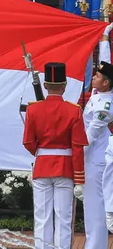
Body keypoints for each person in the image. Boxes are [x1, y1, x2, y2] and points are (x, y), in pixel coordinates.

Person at [23, 62, 88, 249]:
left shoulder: (33, 109)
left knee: (42, 217)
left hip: (42, 165)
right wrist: (79, 179)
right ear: (65, 85)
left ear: (44, 85)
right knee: (64, 218)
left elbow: (28, 142)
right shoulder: (73, 110)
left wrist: (41, 151)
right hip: (65, 167)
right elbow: (77, 147)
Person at [74, 24, 113, 249]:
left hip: (95, 159)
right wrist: (104, 37)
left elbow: (89, 136)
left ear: (105, 82)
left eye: (97, 76)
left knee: (95, 207)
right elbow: (107, 64)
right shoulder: (102, 93)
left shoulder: (105, 105)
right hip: (92, 158)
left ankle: (95, 246)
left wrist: (76, 158)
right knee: (91, 206)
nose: (94, 77)